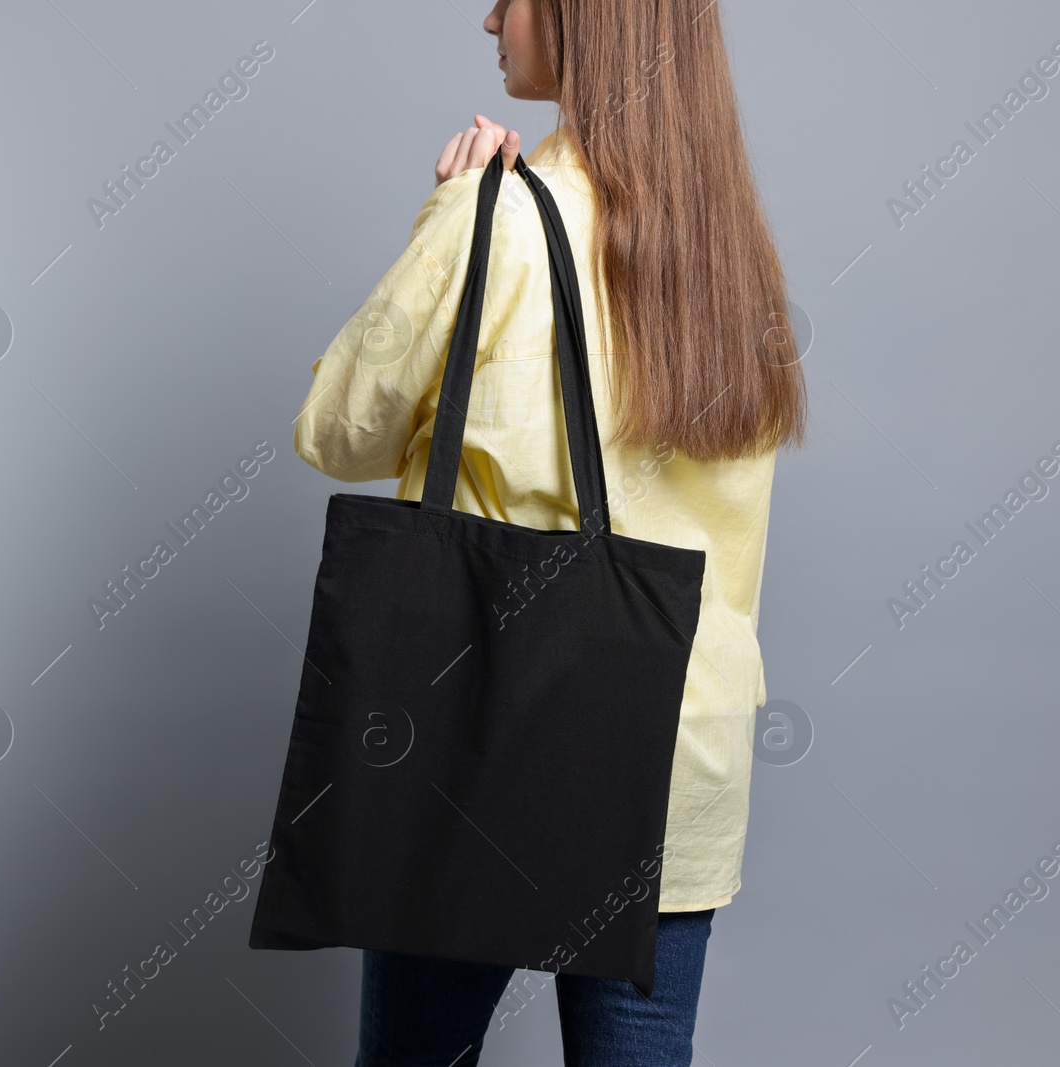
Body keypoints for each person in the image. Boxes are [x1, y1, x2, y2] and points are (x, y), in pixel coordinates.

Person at [291, 1, 806, 1063]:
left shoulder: (499, 220)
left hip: (492, 736)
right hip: (680, 746)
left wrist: (449, 220)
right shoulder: (731, 254)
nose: (488, 14)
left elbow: (335, 430)